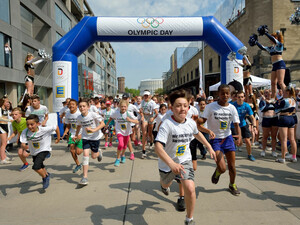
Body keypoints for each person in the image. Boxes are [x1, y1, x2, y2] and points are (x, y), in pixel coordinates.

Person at [155, 89, 216, 225]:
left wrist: (208, 146)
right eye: (178, 105)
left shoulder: (190, 122)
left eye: (185, 105)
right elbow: (158, 147)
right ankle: (164, 186)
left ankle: (189, 219)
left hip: (184, 160)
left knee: (190, 187)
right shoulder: (167, 124)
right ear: (171, 108)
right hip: (167, 163)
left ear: (188, 107)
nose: (182, 109)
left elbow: (196, 133)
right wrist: (171, 164)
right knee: (166, 184)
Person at [198, 84, 242, 196]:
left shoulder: (232, 108)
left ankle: (232, 184)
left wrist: (239, 136)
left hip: (228, 138)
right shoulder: (210, 107)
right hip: (215, 140)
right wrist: (196, 120)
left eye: (227, 93)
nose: (225, 95)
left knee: (232, 166)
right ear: (218, 94)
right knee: (222, 168)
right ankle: (218, 172)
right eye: (222, 93)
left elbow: (236, 124)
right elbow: (202, 120)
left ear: (230, 94)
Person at [20, 114, 60, 189]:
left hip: (44, 149)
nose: (29, 126)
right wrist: (24, 146)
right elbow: (22, 143)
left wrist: (58, 138)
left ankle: (45, 178)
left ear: (38, 124)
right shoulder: (25, 132)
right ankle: (47, 174)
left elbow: (56, 127)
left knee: (36, 166)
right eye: (27, 124)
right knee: (40, 165)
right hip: (34, 151)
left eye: (32, 124)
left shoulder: (43, 129)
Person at [74, 99, 105, 186]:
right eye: (80, 106)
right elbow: (79, 126)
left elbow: (102, 124)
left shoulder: (93, 114)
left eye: (84, 106)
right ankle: (85, 177)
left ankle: (98, 152)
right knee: (85, 155)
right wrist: (76, 135)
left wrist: (94, 130)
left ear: (88, 107)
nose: (82, 108)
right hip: (85, 137)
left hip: (95, 137)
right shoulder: (79, 117)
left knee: (94, 156)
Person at [249, 26, 286, 100]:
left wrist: (266, 33)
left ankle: (287, 96)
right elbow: (263, 48)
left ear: (276, 38)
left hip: (280, 64)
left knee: (280, 82)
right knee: (273, 83)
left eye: (273, 38)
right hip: (274, 65)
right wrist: (256, 42)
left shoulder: (279, 45)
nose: (270, 40)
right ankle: (273, 98)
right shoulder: (271, 48)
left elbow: (274, 40)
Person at [106, 100, 138, 166]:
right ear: (119, 107)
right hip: (119, 131)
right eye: (122, 106)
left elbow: (137, 121)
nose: (123, 108)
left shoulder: (129, 113)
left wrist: (130, 120)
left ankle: (123, 155)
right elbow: (111, 117)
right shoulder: (116, 112)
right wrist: (107, 124)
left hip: (127, 132)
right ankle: (117, 158)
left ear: (127, 107)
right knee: (121, 144)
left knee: (125, 146)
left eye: (125, 107)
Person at [231, 91, 257, 161]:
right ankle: (234, 148)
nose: (240, 98)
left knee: (248, 141)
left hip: (243, 124)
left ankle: (249, 155)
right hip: (234, 125)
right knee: (238, 142)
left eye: (242, 97)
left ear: (244, 98)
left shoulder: (246, 106)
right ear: (236, 97)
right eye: (239, 97)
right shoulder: (232, 105)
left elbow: (252, 118)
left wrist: (254, 127)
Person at [275, 87, 298, 163]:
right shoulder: (294, 100)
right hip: (291, 118)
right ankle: (294, 157)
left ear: (287, 93)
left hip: (284, 118)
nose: (283, 94)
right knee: (292, 139)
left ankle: (283, 158)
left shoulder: (284, 101)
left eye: (284, 92)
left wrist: (276, 103)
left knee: (284, 139)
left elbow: (276, 110)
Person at [62, 99, 83, 173]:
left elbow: (85, 124)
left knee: (79, 152)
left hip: (81, 134)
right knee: (71, 149)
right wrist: (65, 132)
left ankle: (88, 146)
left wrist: (81, 134)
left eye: (73, 104)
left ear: (76, 106)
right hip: (72, 134)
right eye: (70, 104)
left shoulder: (79, 114)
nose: (71, 106)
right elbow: (68, 125)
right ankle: (78, 164)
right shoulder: (67, 114)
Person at [259, 89, 278, 157]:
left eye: (267, 92)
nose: (266, 94)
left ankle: (273, 151)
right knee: (265, 136)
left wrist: (271, 102)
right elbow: (262, 109)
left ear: (271, 93)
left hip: (274, 119)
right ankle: (263, 150)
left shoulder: (275, 100)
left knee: (274, 136)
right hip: (266, 119)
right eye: (265, 93)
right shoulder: (262, 101)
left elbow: (277, 109)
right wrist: (267, 102)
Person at [140, 90, 158, 158]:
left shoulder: (152, 103)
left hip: (151, 117)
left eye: (147, 96)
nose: (146, 97)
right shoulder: (142, 102)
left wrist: (153, 118)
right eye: (145, 96)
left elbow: (156, 113)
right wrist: (142, 116)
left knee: (150, 133)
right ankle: (143, 151)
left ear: (150, 96)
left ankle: (151, 141)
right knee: (144, 133)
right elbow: (140, 111)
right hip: (145, 117)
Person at [122, 93, 139, 160]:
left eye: (126, 98)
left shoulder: (132, 106)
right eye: (124, 99)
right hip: (123, 126)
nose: (125, 100)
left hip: (131, 124)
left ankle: (131, 152)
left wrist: (141, 117)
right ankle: (127, 153)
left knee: (131, 139)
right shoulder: (120, 106)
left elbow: (138, 112)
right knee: (126, 140)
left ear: (129, 99)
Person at [0, 97, 12, 164]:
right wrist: (9, 120)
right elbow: (0, 118)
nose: (8, 103)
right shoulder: (0, 109)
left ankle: (4, 156)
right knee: (3, 143)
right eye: (7, 102)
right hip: (1, 127)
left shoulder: (6, 110)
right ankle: (2, 159)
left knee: (4, 143)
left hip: (6, 126)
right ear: (3, 102)